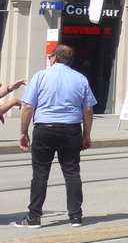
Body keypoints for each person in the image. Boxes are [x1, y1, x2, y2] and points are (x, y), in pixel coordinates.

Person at [15, 45, 97, 228]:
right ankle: (76, 216)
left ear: (53, 59)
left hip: (44, 129)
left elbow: (28, 107)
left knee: (40, 174)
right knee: (72, 172)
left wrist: (23, 132)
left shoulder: (40, 76)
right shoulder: (80, 79)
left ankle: (34, 217)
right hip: (71, 130)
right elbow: (89, 109)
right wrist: (87, 134)